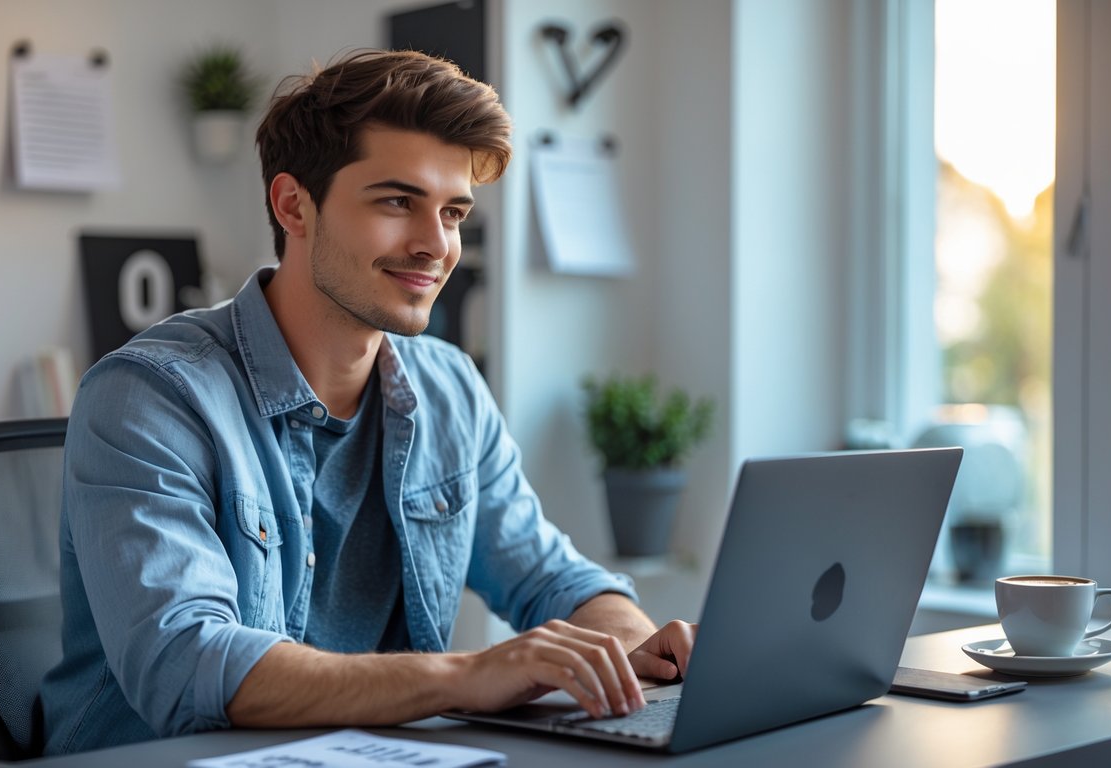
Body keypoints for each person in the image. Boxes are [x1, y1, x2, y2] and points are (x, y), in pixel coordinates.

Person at [40, 49, 696, 755]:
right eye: (396, 202)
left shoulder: (448, 386)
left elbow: (550, 578)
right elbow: (188, 666)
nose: (435, 245)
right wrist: (462, 675)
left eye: (452, 213)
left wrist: (636, 645)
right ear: (293, 204)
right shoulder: (150, 396)